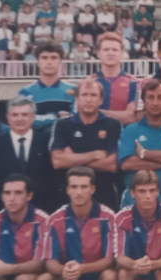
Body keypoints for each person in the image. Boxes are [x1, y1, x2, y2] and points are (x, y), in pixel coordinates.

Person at [0, 96, 60, 236]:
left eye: (24, 114)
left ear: (32, 117)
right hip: (2, 221)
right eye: (15, 115)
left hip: (42, 218)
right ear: (8, 117)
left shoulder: (48, 144)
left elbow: (55, 184)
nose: (20, 119)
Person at [49, 79, 122, 212]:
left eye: (93, 95)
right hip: (70, 197)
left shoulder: (113, 125)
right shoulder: (63, 124)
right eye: (84, 95)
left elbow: (111, 165)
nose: (88, 100)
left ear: (101, 100)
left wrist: (72, 159)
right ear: (77, 99)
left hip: (104, 195)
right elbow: (57, 162)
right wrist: (94, 155)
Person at [17, 42, 75, 129]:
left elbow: (76, 121)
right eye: (44, 58)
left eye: (54, 58)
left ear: (60, 62)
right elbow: (24, 122)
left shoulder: (73, 90)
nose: (49, 62)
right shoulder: (25, 92)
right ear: (38, 61)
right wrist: (56, 117)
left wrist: (40, 121)